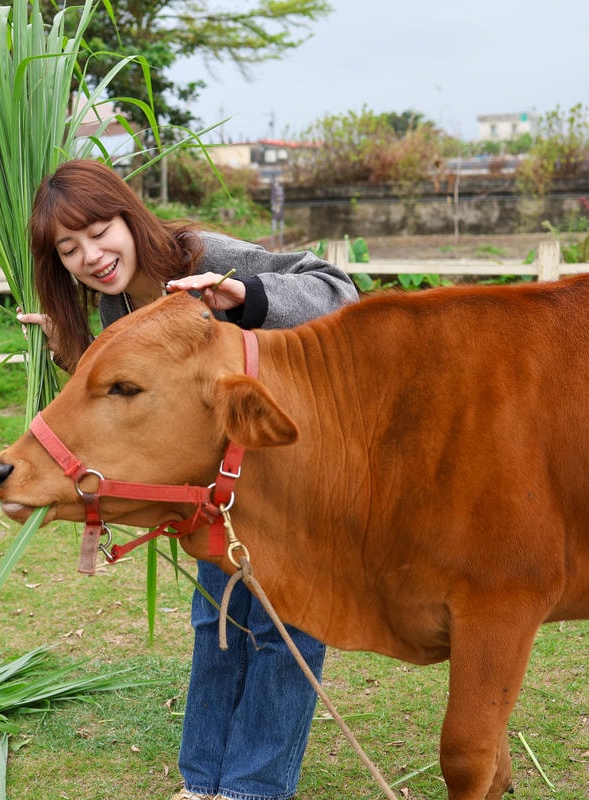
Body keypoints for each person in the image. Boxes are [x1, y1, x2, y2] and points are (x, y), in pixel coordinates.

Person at [18, 159, 358, 800]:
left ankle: (254, 787)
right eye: (69, 248)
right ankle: (203, 781)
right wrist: (70, 348)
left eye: (99, 231)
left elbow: (338, 288)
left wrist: (247, 298)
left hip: (294, 464)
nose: (91, 255)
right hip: (215, 484)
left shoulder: (199, 255)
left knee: (287, 625)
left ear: (127, 216)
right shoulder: (115, 300)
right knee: (218, 618)